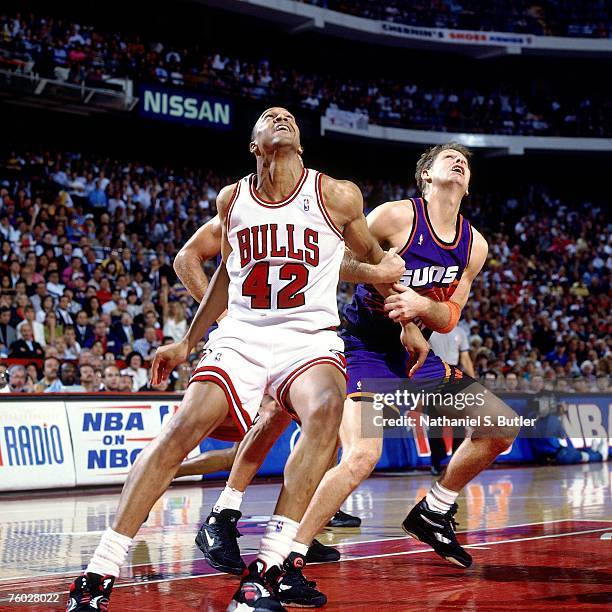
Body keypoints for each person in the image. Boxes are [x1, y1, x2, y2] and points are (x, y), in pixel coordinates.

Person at [65, 107, 399, 612]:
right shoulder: (233, 199)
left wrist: (384, 266)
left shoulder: (336, 194)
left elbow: (368, 256)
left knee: (326, 407)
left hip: (307, 338)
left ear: (302, 145)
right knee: (183, 427)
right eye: (269, 117)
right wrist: (187, 340)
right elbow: (226, 273)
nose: (281, 119)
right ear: (254, 144)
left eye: (289, 117)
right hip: (242, 334)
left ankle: (265, 571)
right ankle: (99, 573)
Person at [211, 143, 520, 599]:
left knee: (500, 426)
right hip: (361, 347)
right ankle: (280, 561)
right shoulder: (395, 217)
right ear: (427, 176)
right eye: (448, 158)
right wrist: (384, 281)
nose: (460, 162)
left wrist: (420, 308)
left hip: (412, 356)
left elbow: (451, 314)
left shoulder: (475, 246)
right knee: (362, 455)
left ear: (468, 184)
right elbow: (329, 262)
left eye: (467, 161)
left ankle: (434, 510)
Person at [427, 325, 475, 474]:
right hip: (436, 373)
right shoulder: (429, 329)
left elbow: (465, 359)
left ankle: (451, 461)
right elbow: (465, 360)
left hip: (449, 375)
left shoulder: (460, 331)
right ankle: (440, 460)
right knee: (437, 423)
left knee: (456, 423)